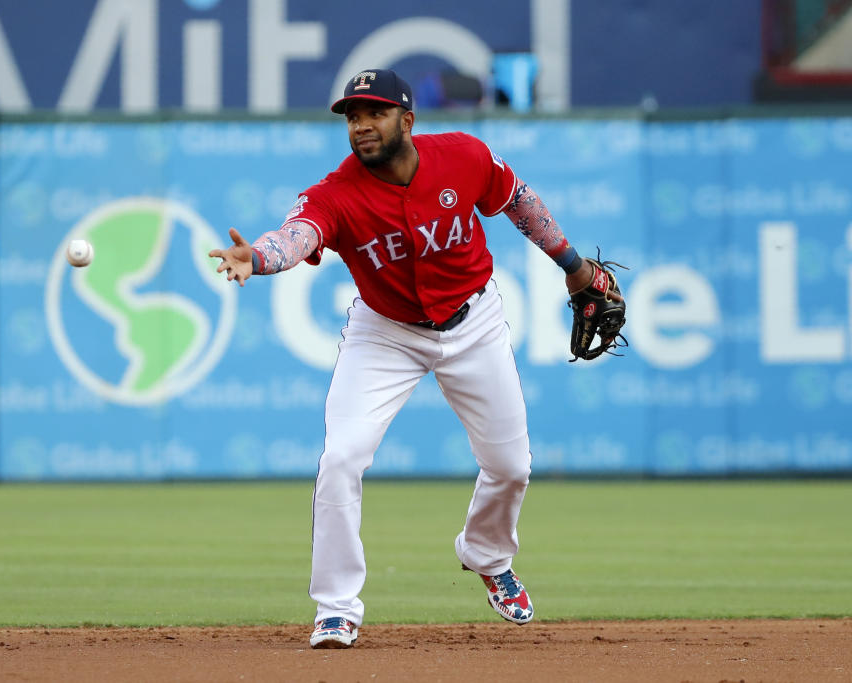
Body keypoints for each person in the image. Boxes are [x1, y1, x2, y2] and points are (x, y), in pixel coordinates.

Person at [209, 68, 619, 649]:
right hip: (385, 334)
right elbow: (297, 233)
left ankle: (486, 554)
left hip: (474, 322)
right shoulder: (336, 193)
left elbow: (519, 202)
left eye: (373, 113)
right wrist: (261, 257)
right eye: (352, 116)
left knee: (512, 467)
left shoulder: (465, 157)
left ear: (407, 119)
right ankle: (335, 608)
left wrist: (575, 266)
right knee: (341, 459)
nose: (361, 126)